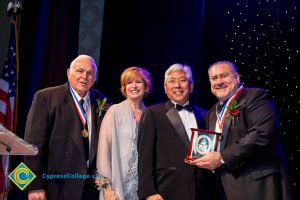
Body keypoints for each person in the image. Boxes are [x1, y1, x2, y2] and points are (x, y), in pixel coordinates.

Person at [189, 60, 293, 199]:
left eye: (224, 75)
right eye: (214, 78)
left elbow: (262, 134)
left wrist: (222, 157)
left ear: (237, 78)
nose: (219, 81)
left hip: (256, 184)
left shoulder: (255, 96)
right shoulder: (212, 113)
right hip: (223, 188)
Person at [24, 55, 110, 200]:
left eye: (90, 73)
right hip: (55, 186)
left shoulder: (103, 102)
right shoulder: (46, 97)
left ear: (94, 78)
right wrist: (33, 186)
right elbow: (32, 146)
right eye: (80, 71)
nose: (84, 76)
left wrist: (106, 186)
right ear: (69, 73)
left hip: (91, 189)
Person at [137, 63, 213, 200]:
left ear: (191, 86)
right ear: (166, 88)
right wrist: (148, 192)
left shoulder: (205, 115)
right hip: (165, 191)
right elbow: (144, 157)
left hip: (201, 192)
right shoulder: (152, 113)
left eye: (182, 80)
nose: (177, 85)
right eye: (172, 81)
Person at [96, 66, 152, 200]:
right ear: (124, 88)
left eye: (138, 82)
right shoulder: (114, 112)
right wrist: (107, 190)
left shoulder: (151, 115)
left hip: (143, 189)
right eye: (129, 82)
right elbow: (103, 155)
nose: (133, 86)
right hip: (115, 189)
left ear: (146, 87)